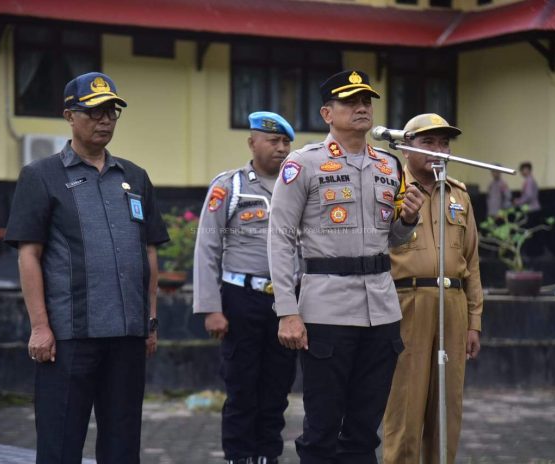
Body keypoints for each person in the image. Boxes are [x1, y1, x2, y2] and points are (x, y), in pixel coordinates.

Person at [4, 72, 169, 463]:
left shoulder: (134, 177)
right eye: (94, 112)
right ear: (69, 116)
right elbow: (29, 255)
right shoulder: (41, 176)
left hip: (127, 337)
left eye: (112, 111)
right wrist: (40, 327)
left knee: (122, 447)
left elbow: (148, 252)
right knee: (60, 446)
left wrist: (149, 321)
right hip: (69, 338)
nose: (105, 120)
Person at [268, 70, 424, 464]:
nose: (361, 108)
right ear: (327, 113)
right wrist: (287, 311)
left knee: (363, 431)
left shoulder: (389, 166)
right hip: (327, 311)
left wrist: (408, 219)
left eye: (366, 101)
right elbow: (280, 238)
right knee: (321, 430)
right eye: (350, 101)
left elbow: (393, 239)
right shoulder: (303, 164)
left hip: (381, 310)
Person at [193, 111, 298, 464]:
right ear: (252, 142)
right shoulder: (230, 185)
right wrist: (211, 308)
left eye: (285, 142)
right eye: (273, 141)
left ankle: (268, 456)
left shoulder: (297, 185)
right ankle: (239, 457)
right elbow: (207, 247)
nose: (281, 148)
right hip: (241, 299)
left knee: (277, 388)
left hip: (285, 302)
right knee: (241, 387)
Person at [382, 113, 483, 464]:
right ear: (406, 148)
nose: (439, 150)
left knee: (447, 407)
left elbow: (472, 263)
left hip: (452, 305)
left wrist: (474, 322)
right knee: (405, 405)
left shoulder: (459, 194)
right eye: (428, 142)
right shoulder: (390, 189)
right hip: (407, 304)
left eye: (444, 143)